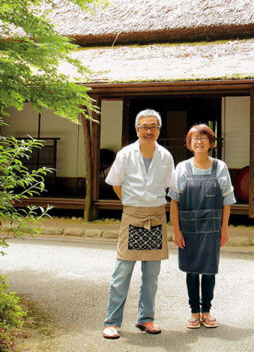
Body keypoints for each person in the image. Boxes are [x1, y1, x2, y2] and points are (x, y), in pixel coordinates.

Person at [102, 109, 174, 340]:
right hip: (132, 215)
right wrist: (130, 202)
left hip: (156, 216)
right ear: (137, 129)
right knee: (122, 272)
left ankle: (146, 319)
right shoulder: (125, 154)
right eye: (144, 126)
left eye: (153, 126)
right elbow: (116, 183)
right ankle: (112, 322)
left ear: (159, 130)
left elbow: (169, 186)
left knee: (151, 276)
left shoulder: (165, 156)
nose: (149, 130)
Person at [169, 124, 235, 330]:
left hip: (211, 228)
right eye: (194, 138)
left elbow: (227, 200)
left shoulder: (220, 167)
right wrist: (176, 231)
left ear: (211, 143)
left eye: (203, 138)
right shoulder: (182, 168)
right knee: (191, 271)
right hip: (188, 229)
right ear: (189, 144)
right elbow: (174, 201)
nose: (198, 141)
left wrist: (224, 229)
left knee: (208, 271)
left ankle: (206, 311)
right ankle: (194, 312)